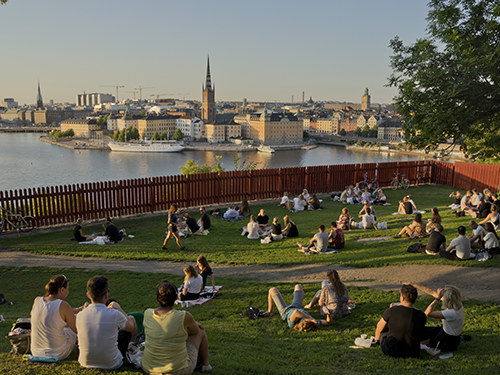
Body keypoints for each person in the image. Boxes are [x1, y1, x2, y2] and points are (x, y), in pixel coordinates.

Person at [141, 281, 212, 374]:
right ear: (176, 298)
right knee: (200, 331)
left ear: (157, 299)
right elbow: (195, 331)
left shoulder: (148, 313)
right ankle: (205, 365)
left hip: (149, 368)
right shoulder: (184, 316)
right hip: (177, 370)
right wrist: (194, 323)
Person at [76, 276, 136, 369]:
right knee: (127, 326)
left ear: (88, 295)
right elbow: (131, 327)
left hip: (85, 362)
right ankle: (132, 348)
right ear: (106, 295)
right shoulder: (115, 314)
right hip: (112, 363)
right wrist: (119, 309)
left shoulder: (80, 315)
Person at [30, 275, 81, 359]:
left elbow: (53, 312)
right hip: (57, 352)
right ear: (62, 290)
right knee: (70, 328)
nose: (68, 292)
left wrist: (78, 309)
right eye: (67, 290)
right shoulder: (63, 305)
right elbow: (77, 329)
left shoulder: (37, 300)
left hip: (36, 351)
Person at [374, 284, 427, 358]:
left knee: (383, 332)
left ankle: (377, 341)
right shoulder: (422, 315)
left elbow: (379, 327)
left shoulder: (391, 311)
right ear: (415, 299)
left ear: (402, 298)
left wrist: (377, 340)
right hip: (412, 352)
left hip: (391, 350)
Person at [411, 283, 466, 351]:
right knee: (421, 330)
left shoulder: (451, 313)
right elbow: (433, 293)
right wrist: (414, 285)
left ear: (448, 299)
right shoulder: (458, 304)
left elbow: (427, 313)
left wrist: (437, 298)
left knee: (424, 344)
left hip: (448, 340)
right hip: (444, 330)